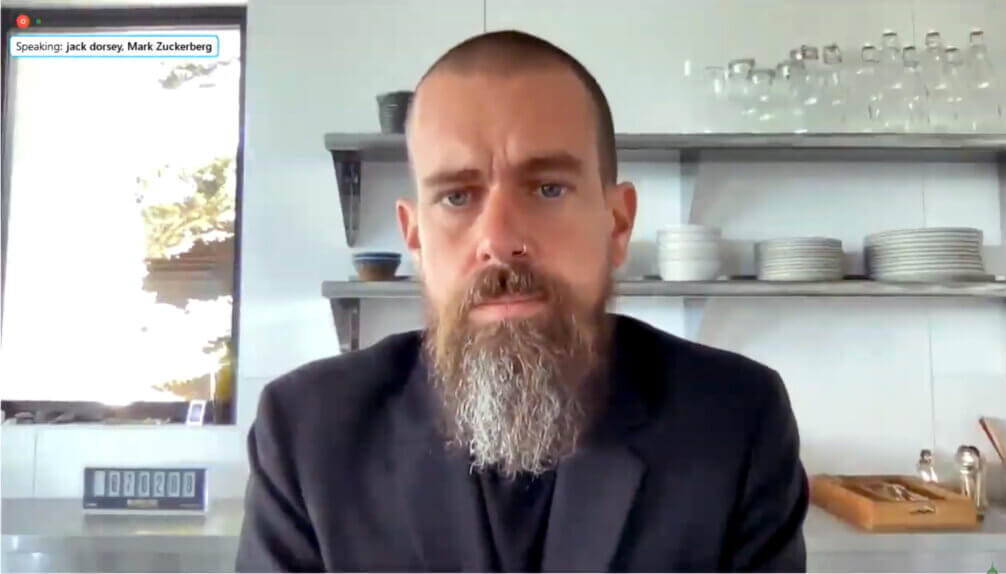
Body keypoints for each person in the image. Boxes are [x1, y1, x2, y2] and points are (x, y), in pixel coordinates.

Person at [236, 30, 808, 573]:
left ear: (617, 222)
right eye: (457, 196)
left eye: (548, 188)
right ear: (414, 239)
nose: (500, 240)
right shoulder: (307, 435)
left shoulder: (736, 422)